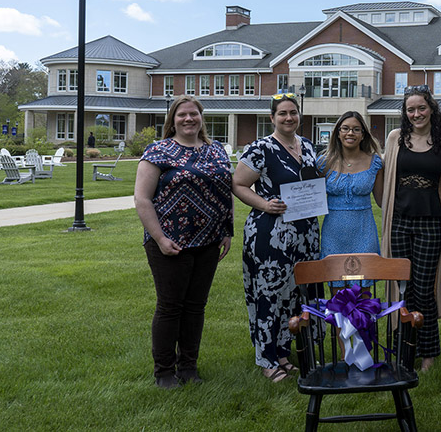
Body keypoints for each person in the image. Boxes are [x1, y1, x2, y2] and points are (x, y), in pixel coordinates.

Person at [133, 95, 233, 389]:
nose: (188, 119)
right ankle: (164, 371)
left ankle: (189, 366)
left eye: (193, 114)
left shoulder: (216, 151)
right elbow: (142, 199)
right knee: (170, 306)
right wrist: (160, 238)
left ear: (201, 117)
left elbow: (224, 193)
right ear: (172, 120)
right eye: (182, 115)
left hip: (208, 242)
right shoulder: (158, 151)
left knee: (195, 307)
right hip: (170, 243)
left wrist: (226, 230)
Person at [232, 93, 321, 383]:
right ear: (272, 118)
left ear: (299, 116)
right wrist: (264, 204)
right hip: (271, 232)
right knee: (269, 294)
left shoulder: (307, 146)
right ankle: (267, 359)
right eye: (282, 113)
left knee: (295, 294)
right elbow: (238, 183)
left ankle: (283, 353)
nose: (288, 118)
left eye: (293, 113)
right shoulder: (260, 148)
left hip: (305, 232)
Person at [380, 85, 441, 372]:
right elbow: (383, 174)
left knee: (425, 290)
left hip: (431, 224)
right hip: (399, 222)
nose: (416, 114)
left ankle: (428, 353)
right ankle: (403, 350)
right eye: (410, 110)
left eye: (421, 108)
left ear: (431, 109)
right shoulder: (395, 138)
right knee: (401, 289)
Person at [319, 111, 383, 289]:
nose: (350, 133)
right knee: (337, 293)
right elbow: (311, 199)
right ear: (337, 133)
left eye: (356, 129)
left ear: (363, 135)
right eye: (345, 128)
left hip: (364, 231)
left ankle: (364, 319)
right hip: (333, 233)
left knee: (363, 292)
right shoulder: (323, 163)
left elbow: (382, 200)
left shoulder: (374, 162)